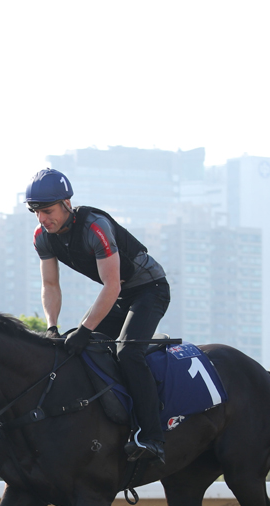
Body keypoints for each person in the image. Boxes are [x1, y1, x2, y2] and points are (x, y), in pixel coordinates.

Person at [27, 168, 171, 464]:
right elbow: (50, 285)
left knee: (128, 352)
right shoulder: (43, 237)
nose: (43, 219)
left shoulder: (95, 227)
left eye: (48, 211)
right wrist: (52, 327)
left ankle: (153, 437)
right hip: (118, 297)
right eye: (36, 212)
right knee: (69, 348)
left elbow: (112, 284)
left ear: (67, 203)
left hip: (149, 290)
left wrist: (85, 329)